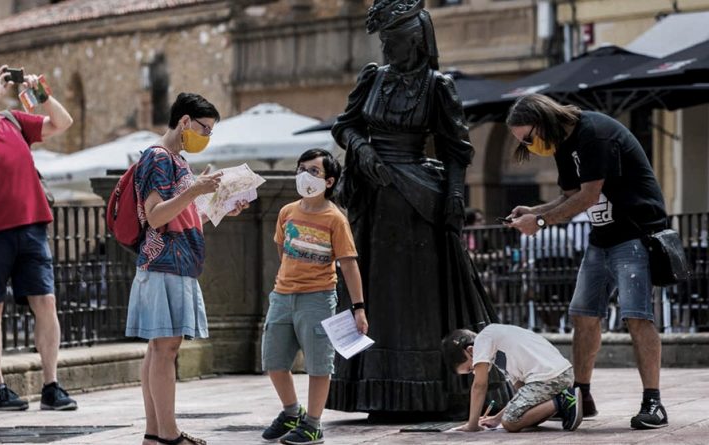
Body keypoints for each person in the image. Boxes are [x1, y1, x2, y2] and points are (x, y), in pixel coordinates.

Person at [327, 0, 510, 417]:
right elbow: (345, 125)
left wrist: (456, 197)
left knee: (418, 299)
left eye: (393, 41)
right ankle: (378, 393)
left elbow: (456, 149)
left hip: (419, 204)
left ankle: (430, 389)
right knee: (376, 293)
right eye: (384, 42)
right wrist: (362, 150)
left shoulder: (437, 86)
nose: (387, 49)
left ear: (416, 40)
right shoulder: (373, 77)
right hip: (375, 201)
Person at [504, 93, 669, 430]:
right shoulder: (561, 143)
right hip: (602, 237)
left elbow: (589, 196)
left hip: (634, 234)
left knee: (637, 317)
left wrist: (539, 222)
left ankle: (653, 403)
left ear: (543, 120)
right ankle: (582, 396)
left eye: (529, 138)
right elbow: (570, 196)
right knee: (583, 315)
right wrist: (534, 210)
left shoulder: (594, 133)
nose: (530, 147)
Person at [0, 66, 77, 411]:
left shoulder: (13, 121)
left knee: (46, 302)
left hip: (32, 224)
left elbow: (62, 122)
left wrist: (42, 95)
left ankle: (51, 385)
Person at [126, 92, 248, 445]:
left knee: (160, 348)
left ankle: (155, 434)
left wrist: (219, 207)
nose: (206, 136)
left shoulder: (177, 160)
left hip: (174, 262)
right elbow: (155, 216)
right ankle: (168, 434)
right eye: (204, 128)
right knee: (166, 349)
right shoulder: (158, 157)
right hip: (165, 264)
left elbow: (178, 218)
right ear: (184, 122)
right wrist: (194, 191)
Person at [260, 148, 368, 445]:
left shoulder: (336, 219)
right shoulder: (287, 212)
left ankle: (313, 424)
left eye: (313, 171)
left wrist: (359, 307)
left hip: (318, 298)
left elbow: (349, 263)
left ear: (329, 181)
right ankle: (291, 412)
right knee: (273, 360)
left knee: (319, 364)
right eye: (301, 169)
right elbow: (282, 250)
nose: (304, 175)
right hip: (282, 296)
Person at [442, 325, 583, 433]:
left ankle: (565, 400)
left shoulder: (483, 339)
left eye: (470, 368)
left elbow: (479, 386)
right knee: (525, 417)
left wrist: (472, 425)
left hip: (549, 378)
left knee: (510, 422)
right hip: (561, 375)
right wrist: (496, 419)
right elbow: (522, 394)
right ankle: (563, 403)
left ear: (471, 350)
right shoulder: (500, 349)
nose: (475, 372)